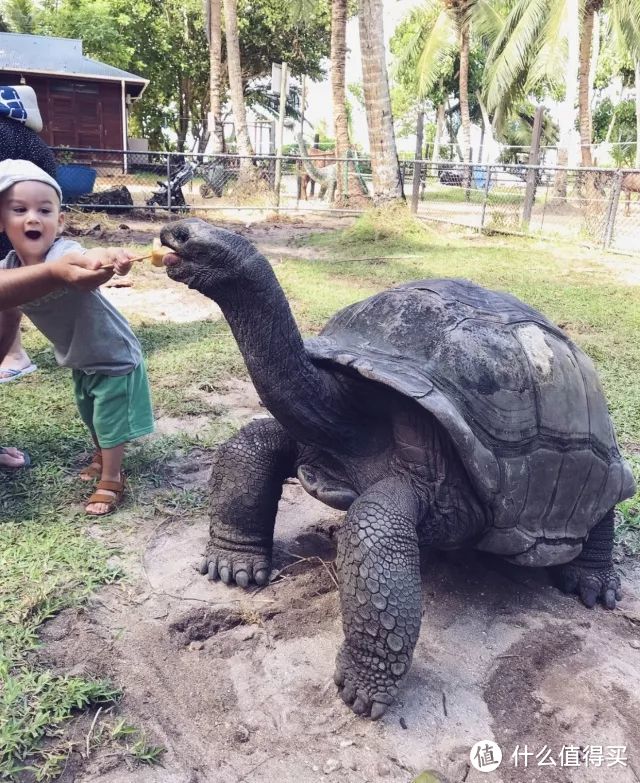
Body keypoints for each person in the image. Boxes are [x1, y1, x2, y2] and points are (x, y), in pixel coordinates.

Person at [0, 159, 154, 515]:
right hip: (79, 356)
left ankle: (112, 478)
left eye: (45, 209)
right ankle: (101, 456)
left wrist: (109, 259)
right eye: (19, 209)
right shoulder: (10, 269)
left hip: (112, 353)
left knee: (108, 420)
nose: (33, 218)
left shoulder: (63, 252)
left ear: (60, 220)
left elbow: (87, 266)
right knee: (91, 415)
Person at [0, 84, 58, 382]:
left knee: (8, 280)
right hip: (18, 207)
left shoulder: (6, 135)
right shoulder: (30, 137)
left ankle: (14, 355)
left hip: (13, 209)